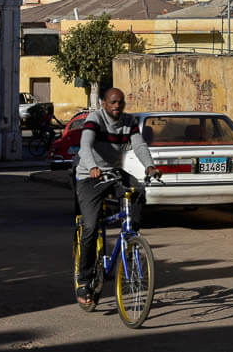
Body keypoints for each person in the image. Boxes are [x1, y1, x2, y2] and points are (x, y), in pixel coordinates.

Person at [74, 88, 158, 306]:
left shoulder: (128, 121)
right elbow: (85, 145)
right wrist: (92, 167)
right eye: (113, 102)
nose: (117, 106)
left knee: (138, 191)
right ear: (104, 103)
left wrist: (149, 166)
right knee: (91, 226)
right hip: (90, 176)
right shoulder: (95, 119)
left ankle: (131, 240)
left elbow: (139, 145)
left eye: (120, 102)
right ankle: (84, 280)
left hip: (113, 173)